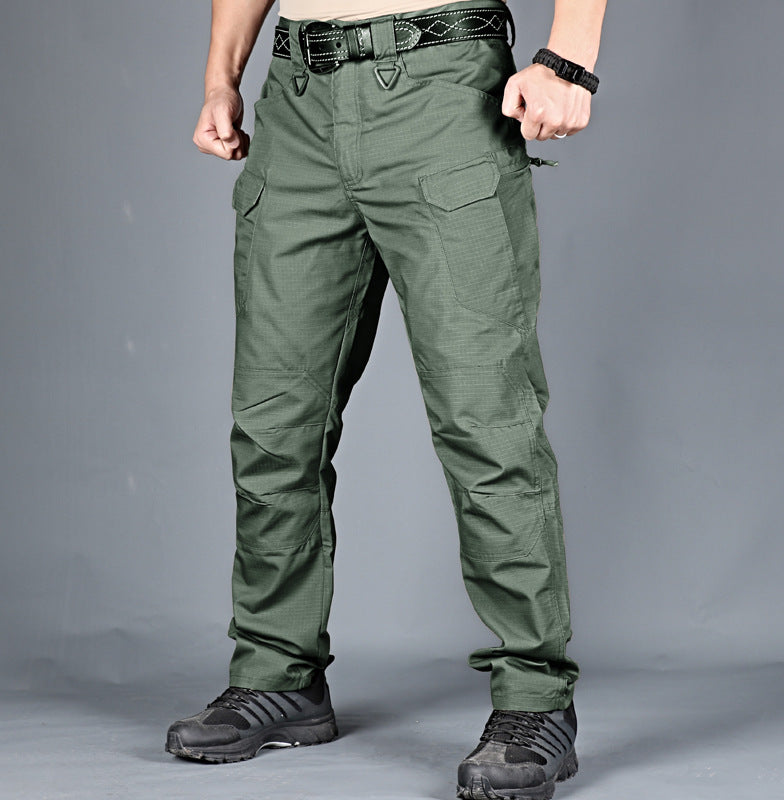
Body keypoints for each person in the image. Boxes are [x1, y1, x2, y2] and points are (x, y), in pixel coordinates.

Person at [165, 0, 606, 797]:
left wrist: (569, 59)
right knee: (273, 425)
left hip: (443, 91)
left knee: (485, 420)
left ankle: (535, 697)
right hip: (298, 102)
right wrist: (220, 77)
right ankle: (278, 673)